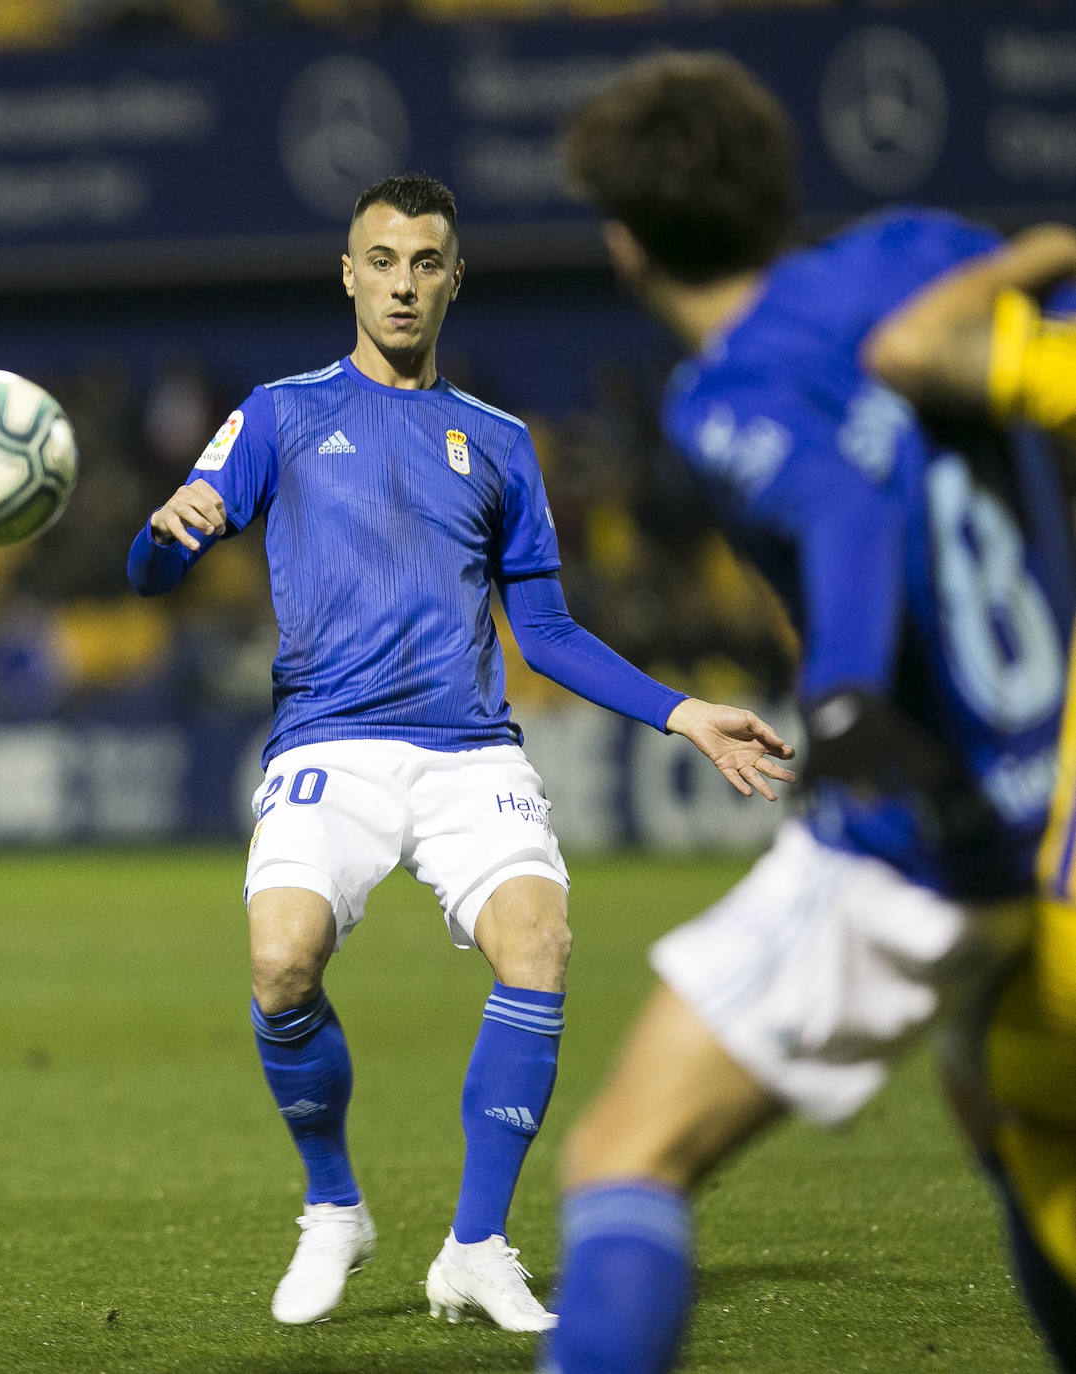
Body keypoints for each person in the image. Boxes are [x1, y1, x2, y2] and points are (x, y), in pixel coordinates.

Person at [126, 172, 795, 1332]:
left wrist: (680, 710)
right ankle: (333, 1205)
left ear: (453, 280)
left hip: (471, 752)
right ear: (349, 274)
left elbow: (546, 632)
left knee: (538, 945)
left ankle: (477, 1247)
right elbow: (153, 570)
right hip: (328, 737)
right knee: (282, 964)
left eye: (424, 263)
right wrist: (160, 537)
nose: (402, 284)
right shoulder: (280, 414)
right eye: (381, 261)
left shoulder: (499, 442)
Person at [543, 51, 1076, 1372]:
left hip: (926, 836)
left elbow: (840, 509)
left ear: (625, 243)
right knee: (1010, 1120)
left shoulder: (726, 394)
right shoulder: (919, 250)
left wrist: (839, 693)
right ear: (779, 188)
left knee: (624, 1154)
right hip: (1056, 792)